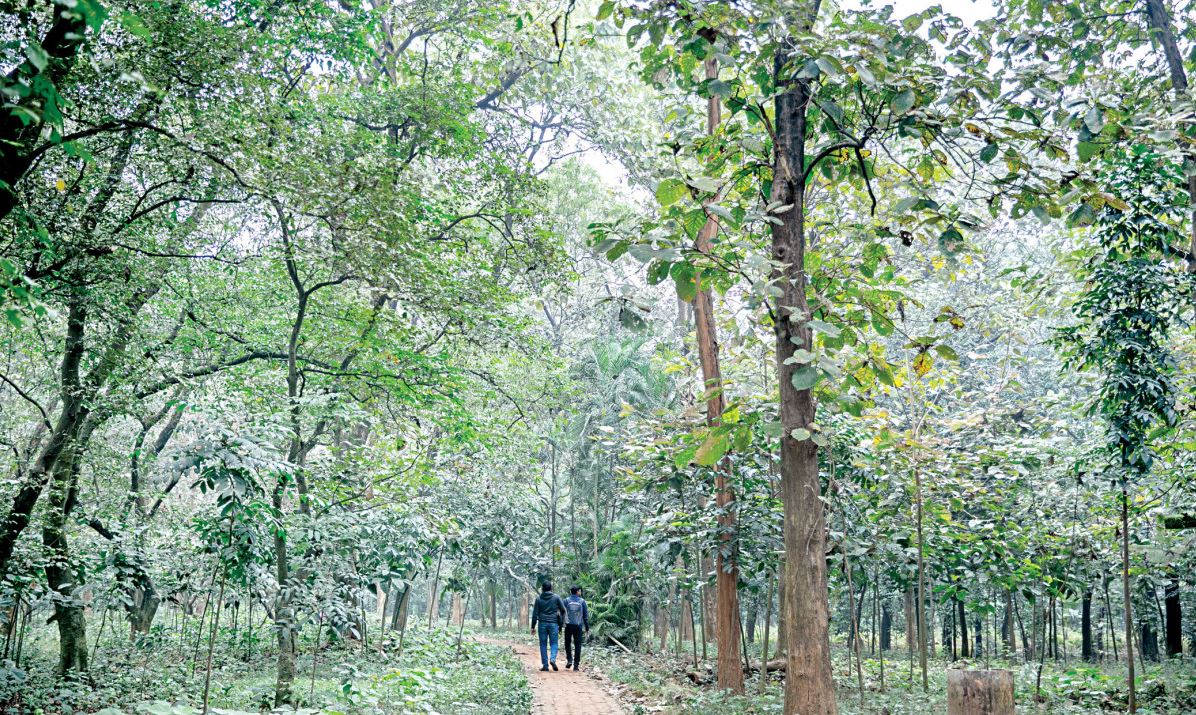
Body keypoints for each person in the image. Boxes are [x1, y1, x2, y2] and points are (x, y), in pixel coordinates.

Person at [530, 581, 566, 671]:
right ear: (551, 588)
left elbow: (535, 614)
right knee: (554, 643)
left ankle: (545, 666)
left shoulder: (538, 599)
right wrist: (560, 619)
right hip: (554, 624)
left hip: (542, 624)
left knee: (543, 644)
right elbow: (563, 609)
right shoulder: (556, 597)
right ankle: (553, 659)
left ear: (542, 589)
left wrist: (533, 626)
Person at [563, 585, 589, 671]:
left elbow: (562, 613)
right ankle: (576, 665)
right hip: (578, 626)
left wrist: (560, 625)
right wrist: (587, 628)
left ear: (570, 591)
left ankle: (569, 660)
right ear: (578, 591)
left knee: (567, 643)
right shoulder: (582, 601)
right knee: (578, 645)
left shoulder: (566, 601)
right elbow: (585, 617)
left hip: (568, 625)